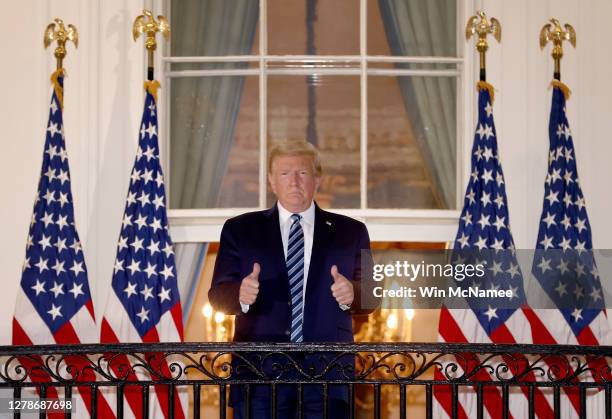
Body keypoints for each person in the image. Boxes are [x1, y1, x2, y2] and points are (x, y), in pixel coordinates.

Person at [208, 141, 375, 418]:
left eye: (303, 173)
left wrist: (353, 294)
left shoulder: (352, 231)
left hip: (328, 374)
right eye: (285, 174)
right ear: (272, 181)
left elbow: (372, 295)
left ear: (317, 179)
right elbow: (217, 296)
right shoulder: (239, 229)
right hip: (259, 375)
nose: (294, 182)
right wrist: (240, 294)